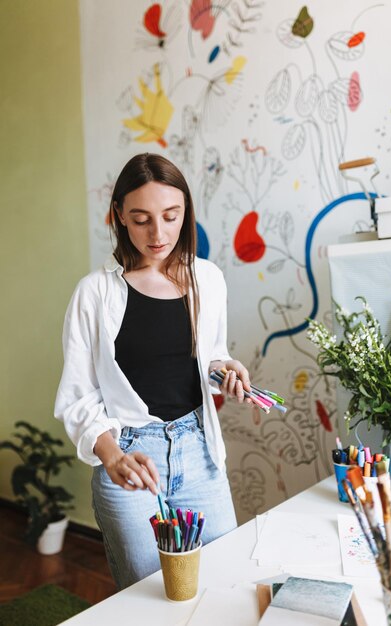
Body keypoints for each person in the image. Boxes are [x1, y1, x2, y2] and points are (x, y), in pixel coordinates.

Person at [54, 153, 253, 590]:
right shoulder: (94, 293)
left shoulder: (209, 280)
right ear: (120, 215)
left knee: (225, 586)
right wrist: (113, 458)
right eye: (142, 218)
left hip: (199, 454)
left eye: (170, 216)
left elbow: (210, 358)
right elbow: (77, 396)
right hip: (129, 461)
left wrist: (227, 370)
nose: (158, 233)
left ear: (185, 212)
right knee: (147, 601)